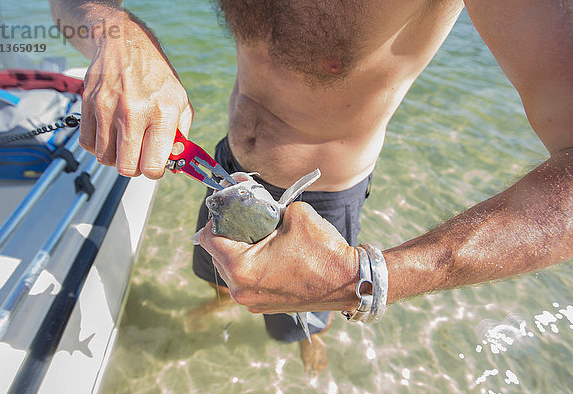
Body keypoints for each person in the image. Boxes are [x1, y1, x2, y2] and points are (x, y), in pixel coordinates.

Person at [51, 0, 573, 372]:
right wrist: (115, 32)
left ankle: (310, 341)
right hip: (227, 168)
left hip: (322, 200)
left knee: (298, 321)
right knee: (216, 271)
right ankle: (222, 299)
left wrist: (367, 278)